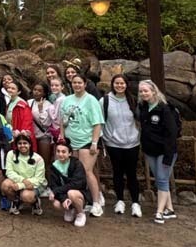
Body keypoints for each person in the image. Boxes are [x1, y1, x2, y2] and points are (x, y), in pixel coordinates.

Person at [59, 74, 105, 217]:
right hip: (71, 141)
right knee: (73, 173)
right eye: (74, 83)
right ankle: (81, 200)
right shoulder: (67, 100)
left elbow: (97, 122)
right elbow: (63, 120)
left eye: (80, 83)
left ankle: (97, 202)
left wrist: (94, 142)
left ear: (85, 84)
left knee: (86, 171)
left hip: (87, 140)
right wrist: (62, 137)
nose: (77, 85)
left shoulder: (91, 100)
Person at [137, 80, 178, 224]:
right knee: (161, 180)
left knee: (161, 178)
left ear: (154, 91)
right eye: (141, 91)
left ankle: (159, 211)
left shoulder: (164, 108)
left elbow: (171, 133)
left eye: (146, 91)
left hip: (165, 150)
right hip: (150, 149)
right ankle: (170, 209)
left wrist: (168, 156)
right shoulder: (143, 107)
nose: (143, 93)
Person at [101, 74, 142, 217]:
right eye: (117, 83)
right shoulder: (105, 100)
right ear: (112, 84)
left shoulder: (132, 100)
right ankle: (120, 200)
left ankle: (135, 203)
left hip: (132, 142)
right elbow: (100, 120)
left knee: (131, 173)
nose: (119, 86)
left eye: (122, 83)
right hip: (113, 143)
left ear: (126, 85)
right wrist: (105, 137)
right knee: (117, 172)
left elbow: (139, 119)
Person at [1, 133, 47, 215]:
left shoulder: (38, 158)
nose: (22, 146)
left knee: (26, 195)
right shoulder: (11, 154)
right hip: (21, 181)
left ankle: (35, 202)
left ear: (30, 144)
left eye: (25, 143)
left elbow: (39, 179)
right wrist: (22, 181)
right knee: (5, 185)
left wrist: (21, 185)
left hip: (34, 184)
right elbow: (9, 172)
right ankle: (16, 201)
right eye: (19, 143)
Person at [49, 138, 90, 227]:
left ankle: (80, 213)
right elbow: (53, 186)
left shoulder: (76, 164)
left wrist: (56, 191)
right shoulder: (54, 166)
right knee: (56, 203)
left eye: (64, 152)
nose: (60, 154)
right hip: (64, 193)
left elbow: (77, 183)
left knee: (71, 193)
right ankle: (70, 209)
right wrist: (63, 198)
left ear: (70, 153)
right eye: (58, 151)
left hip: (78, 193)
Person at [29, 81, 56, 168]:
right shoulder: (29, 102)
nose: (36, 92)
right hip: (31, 136)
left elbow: (46, 123)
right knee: (33, 162)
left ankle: (48, 180)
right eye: (35, 90)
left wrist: (40, 110)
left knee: (44, 162)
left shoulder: (48, 105)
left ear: (44, 93)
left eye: (39, 91)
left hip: (44, 136)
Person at [5, 81, 37, 153]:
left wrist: (21, 134)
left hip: (20, 134)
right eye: (9, 88)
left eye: (13, 89)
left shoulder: (22, 105)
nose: (10, 90)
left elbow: (27, 120)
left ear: (18, 92)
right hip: (12, 134)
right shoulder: (10, 102)